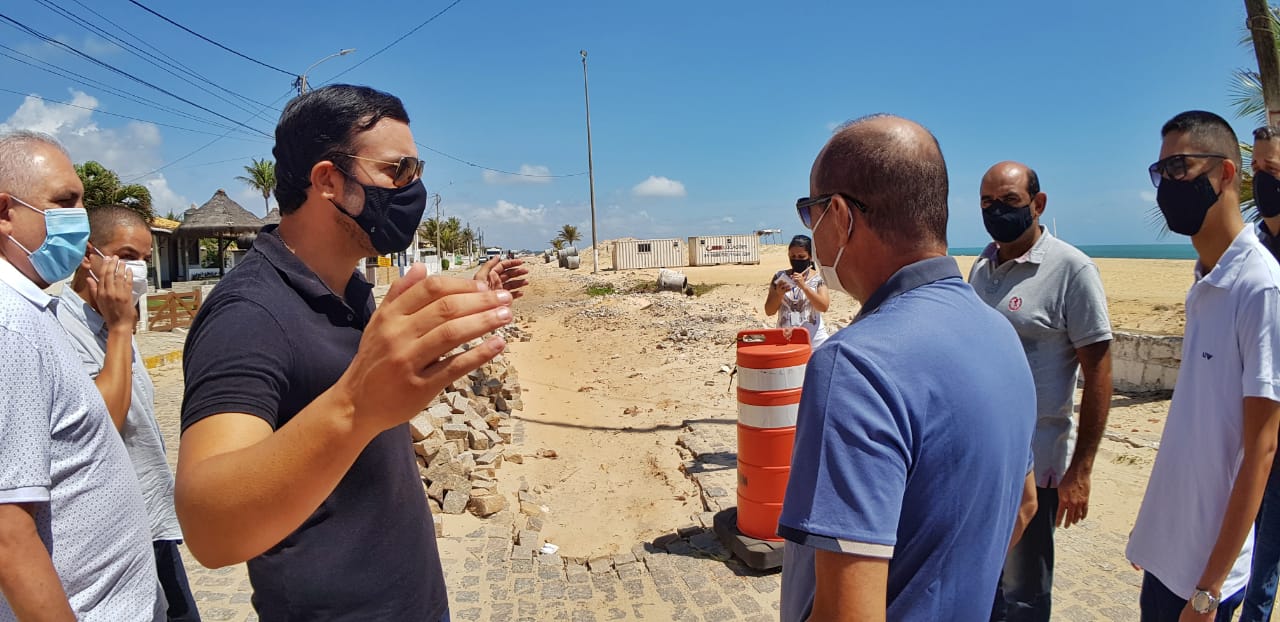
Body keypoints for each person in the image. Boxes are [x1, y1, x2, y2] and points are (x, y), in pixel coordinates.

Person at [176, 85, 524, 620]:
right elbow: (210, 528)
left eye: (417, 170)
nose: (414, 188)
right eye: (397, 170)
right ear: (329, 181)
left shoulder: (351, 289)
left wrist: (473, 295)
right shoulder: (247, 314)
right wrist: (355, 404)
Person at [777, 114, 1039, 622]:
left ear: (840, 215)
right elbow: (1024, 507)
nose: (812, 231)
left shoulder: (854, 366)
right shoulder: (1001, 334)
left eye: (812, 213)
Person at [0, 130, 163, 620]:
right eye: (65, 201)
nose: (79, 218)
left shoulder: (33, 312)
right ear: (5, 211)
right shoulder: (11, 327)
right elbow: (9, 532)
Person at [1127, 110, 1280, 621]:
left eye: (1180, 167)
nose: (1167, 184)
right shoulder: (1205, 280)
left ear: (1226, 173)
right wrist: (1153, 530)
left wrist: (1209, 589)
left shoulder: (1260, 287)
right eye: (1160, 171)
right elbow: (1194, 424)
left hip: (1204, 575)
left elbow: (1261, 449)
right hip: (1167, 556)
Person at [970, 161, 1114, 622]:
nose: (997, 211)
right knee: (982, 579)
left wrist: (1081, 469)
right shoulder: (980, 266)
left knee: (1024, 592)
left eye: (1009, 201)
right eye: (988, 203)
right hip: (982, 460)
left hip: (1037, 464)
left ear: (1038, 204)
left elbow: (1099, 370)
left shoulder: (1072, 270)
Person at [53, 204, 200, 621]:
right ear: (89, 256)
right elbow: (101, 424)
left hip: (150, 516)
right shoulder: (62, 328)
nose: (137, 270)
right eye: (126, 256)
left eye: (144, 259)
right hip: (106, 532)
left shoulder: (115, 320)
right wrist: (120, 328)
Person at [1234, 125, 1280, 622]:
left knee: (1264, 565)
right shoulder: (1252, 247)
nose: (1262, 180)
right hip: (1250, 428)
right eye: (1257, 169)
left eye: (1273, 170)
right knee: (1244, 554)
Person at [763, 234, 830, 347]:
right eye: (793, 256)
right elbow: (769, 311)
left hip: (814, 340)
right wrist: (779, 295)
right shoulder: (780, 277)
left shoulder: (818, 278)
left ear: (810, 257)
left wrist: (804, 287)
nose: (796, 260)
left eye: (801, 257)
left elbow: (823, 307)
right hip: (786, 339)